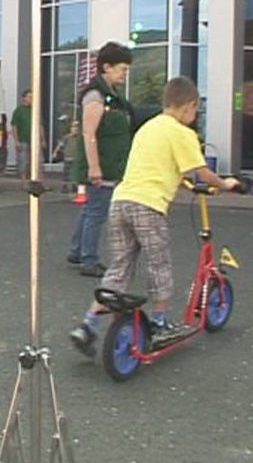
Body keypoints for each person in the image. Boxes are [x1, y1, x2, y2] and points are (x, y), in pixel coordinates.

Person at [69, 77, 240, 356]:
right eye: (196, 111)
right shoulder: (182, 133)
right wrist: (226, 184)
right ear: (189, 106)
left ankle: (88, 325)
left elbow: (165, 166)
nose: (194, 116)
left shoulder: (148, 128)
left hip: (121, 202)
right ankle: (159, 324)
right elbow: (201, 172)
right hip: (148, 206)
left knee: (120, 267)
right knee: (159, 265)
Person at [67, 42, 134, 278]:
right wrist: (95, 168)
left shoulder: (112, 97)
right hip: (101, 165)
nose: (125, 74)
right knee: (96, 212)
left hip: (106, 163)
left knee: (90, 210)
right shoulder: (95, 96)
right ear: (107, 67)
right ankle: (89, 260)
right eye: (122, 69)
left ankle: (77, 251)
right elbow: (89, 133)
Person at [10, 90, 45, 186]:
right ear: (24, 98)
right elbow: (14, 126)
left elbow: (40, 125)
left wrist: (43, 139)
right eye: (29, 97)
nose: (31, 99)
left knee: (39, 161)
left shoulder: (35, 110)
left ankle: (39, 181)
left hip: (35, 140)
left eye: (33, 97)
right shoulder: (18, 111)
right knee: (23, 161)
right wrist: (16, 141)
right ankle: (24, 182)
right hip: (23, 140)